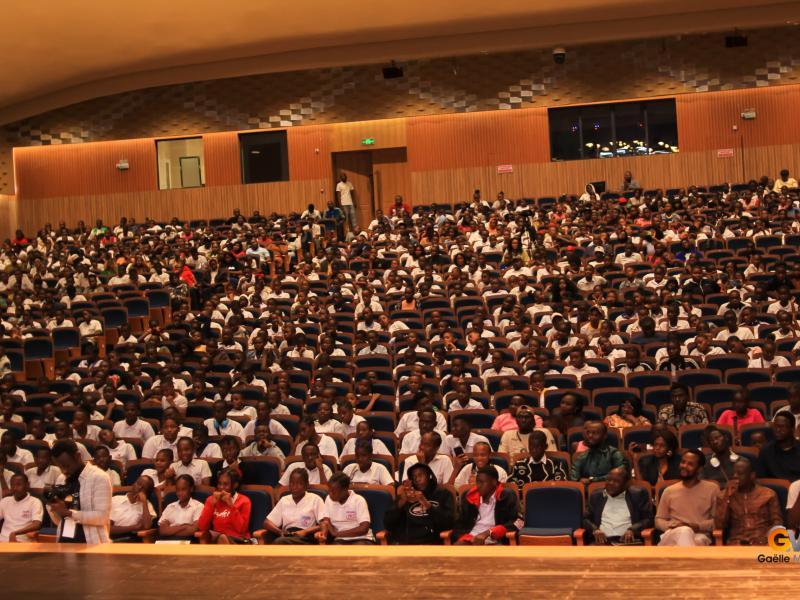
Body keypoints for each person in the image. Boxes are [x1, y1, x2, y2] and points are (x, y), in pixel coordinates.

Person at [48, 439, 113, 544]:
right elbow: (58, 520)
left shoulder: (99, 477)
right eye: (60, 467)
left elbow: (103, 517)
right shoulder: (61, 478)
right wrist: (54, 508)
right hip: (65, 540)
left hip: (92, 543)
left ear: (78, 456)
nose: (64, 471)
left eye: (66, 465)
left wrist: (69, 513)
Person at [655, 449, 719, 546]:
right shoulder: (669, 491)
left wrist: (698, 527)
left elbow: (717, 521)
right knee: (684, 531)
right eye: (683, 462)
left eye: (690, 464)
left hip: (699, 535)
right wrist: (673, 526)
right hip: (672, 535)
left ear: (699, 469)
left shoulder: (712, 489)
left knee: (692, 536)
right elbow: (658, 520)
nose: (684, 466)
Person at [715, 458, 782, 545]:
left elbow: (777, 522)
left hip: (763, 542)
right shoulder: (724, 495)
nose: (735, 476)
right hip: (736, 542)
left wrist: (766, 538)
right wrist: (727, 497)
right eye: (734, 473)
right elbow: (719, 525)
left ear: (752, 476)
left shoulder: (768, 494)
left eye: (740, 474)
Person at [384, 462, 455, 545]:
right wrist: (401, 502)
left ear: (429, 476)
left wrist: (426, 504)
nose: (417, 479)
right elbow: (388, 524)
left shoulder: (443, 494)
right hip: (408, 543)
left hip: (433, 542)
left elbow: (449, 523)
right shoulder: (405, 496)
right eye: (414, 477)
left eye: (420, 475)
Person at [583, 467, 653, 545]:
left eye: (616, 481)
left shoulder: (637, 495)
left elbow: (648, 519)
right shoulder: (596, 496)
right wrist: (595, 530)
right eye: (608, 480)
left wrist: (632, 530)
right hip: (602, 542)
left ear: (627, 484)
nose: (611, 483)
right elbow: (585, 519)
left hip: (628, 542)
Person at [452, 465, 520, 545]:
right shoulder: (468, 497)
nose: (478, 485)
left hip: (496, 541)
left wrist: (489, 532)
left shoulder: (506, 496)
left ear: (494, 482)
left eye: (482, 482)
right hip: (470, 539)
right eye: (477, 482)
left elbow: (518, 522)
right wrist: (469, 538)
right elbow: (459, 525)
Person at [262, 468, 324, 544]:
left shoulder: (315, 499)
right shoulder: (284, 500)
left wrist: (305, 531)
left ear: (306, 485)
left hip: (306, 537)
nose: (294, 487)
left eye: (299, 483)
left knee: (279, 542)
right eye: (292, 483)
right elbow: (267, 522)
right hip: (287, 535)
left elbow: (324, 524)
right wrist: (280, 532)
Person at [197, 468, 252, 544]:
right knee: (220, 538)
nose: (221, 487)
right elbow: (202, 527)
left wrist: (231, 505)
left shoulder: (244, 501)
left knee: (222, 538)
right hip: (217, 539)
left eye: (225, 484)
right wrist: (211, 505)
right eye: (219, 484)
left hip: (239, 540)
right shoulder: (211, 500)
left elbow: (241, 530)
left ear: (235, 485)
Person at [318, 472, 374, 544]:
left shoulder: (359, 500)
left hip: (362, 539)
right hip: (340, 540)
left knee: (356, 552)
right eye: (329, 491)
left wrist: (336, 533)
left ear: (345, 490)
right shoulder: (329, 499)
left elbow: (364, 529)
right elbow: (326, 521)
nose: (330, 494)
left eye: (333, 492)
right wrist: (323, 533)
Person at [109, 475, 156, 541]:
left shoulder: (147, 505)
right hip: (111, 539)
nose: (139, 488)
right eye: (138, 483)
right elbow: (108, 529)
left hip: (132, 539)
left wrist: (144, 502)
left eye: (143, 488)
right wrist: (134, 527)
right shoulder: (115, 500)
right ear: (134, 483)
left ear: (147, 492)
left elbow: (147, 526)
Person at [158, 475, 204, 541]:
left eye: (183, 489)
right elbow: (162, 530)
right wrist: (184, 527)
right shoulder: (170, 507)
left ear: (191, 489)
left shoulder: (198, 506)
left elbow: (193, 530)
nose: (180, 493)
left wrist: (170, 529)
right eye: (178, 490)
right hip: (166, 541)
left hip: (187, 542)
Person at [0, 473, 43, 542]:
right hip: (2, 541)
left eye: (18, 484)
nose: (15, 488)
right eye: (12, 485)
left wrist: (15, 533)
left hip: (22, 541)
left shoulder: (35, 502)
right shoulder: (5, 501)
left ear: (27, 485)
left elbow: (37, 524)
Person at [757, 412, 800, 480]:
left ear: (792, 429)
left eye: (782, 427)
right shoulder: (766, 451)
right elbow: (761, 480)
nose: (778, 430)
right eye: (775, 426)